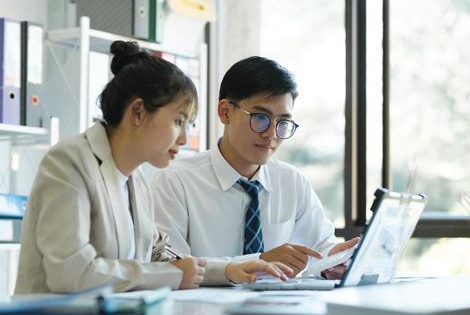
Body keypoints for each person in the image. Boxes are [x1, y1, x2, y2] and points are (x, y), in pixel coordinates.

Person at [15, 42, 292, 294]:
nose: (183, 139)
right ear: (137, 112)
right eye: (178, 121)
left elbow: (165, 257)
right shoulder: (68, 163)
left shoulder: (135, 179)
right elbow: (70, 274)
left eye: (188, 125)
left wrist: (229, 271)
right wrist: (169, 276)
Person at [152, 56, 359, 278]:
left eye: (283, 123)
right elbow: (171, 267)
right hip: (201, 311)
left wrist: (334, 262)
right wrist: (258, 262)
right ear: (225, 112)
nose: (271, 134)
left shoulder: (291, 181)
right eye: (260, 118)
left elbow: (322, 249)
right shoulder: (175, 181)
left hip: (281, 310)